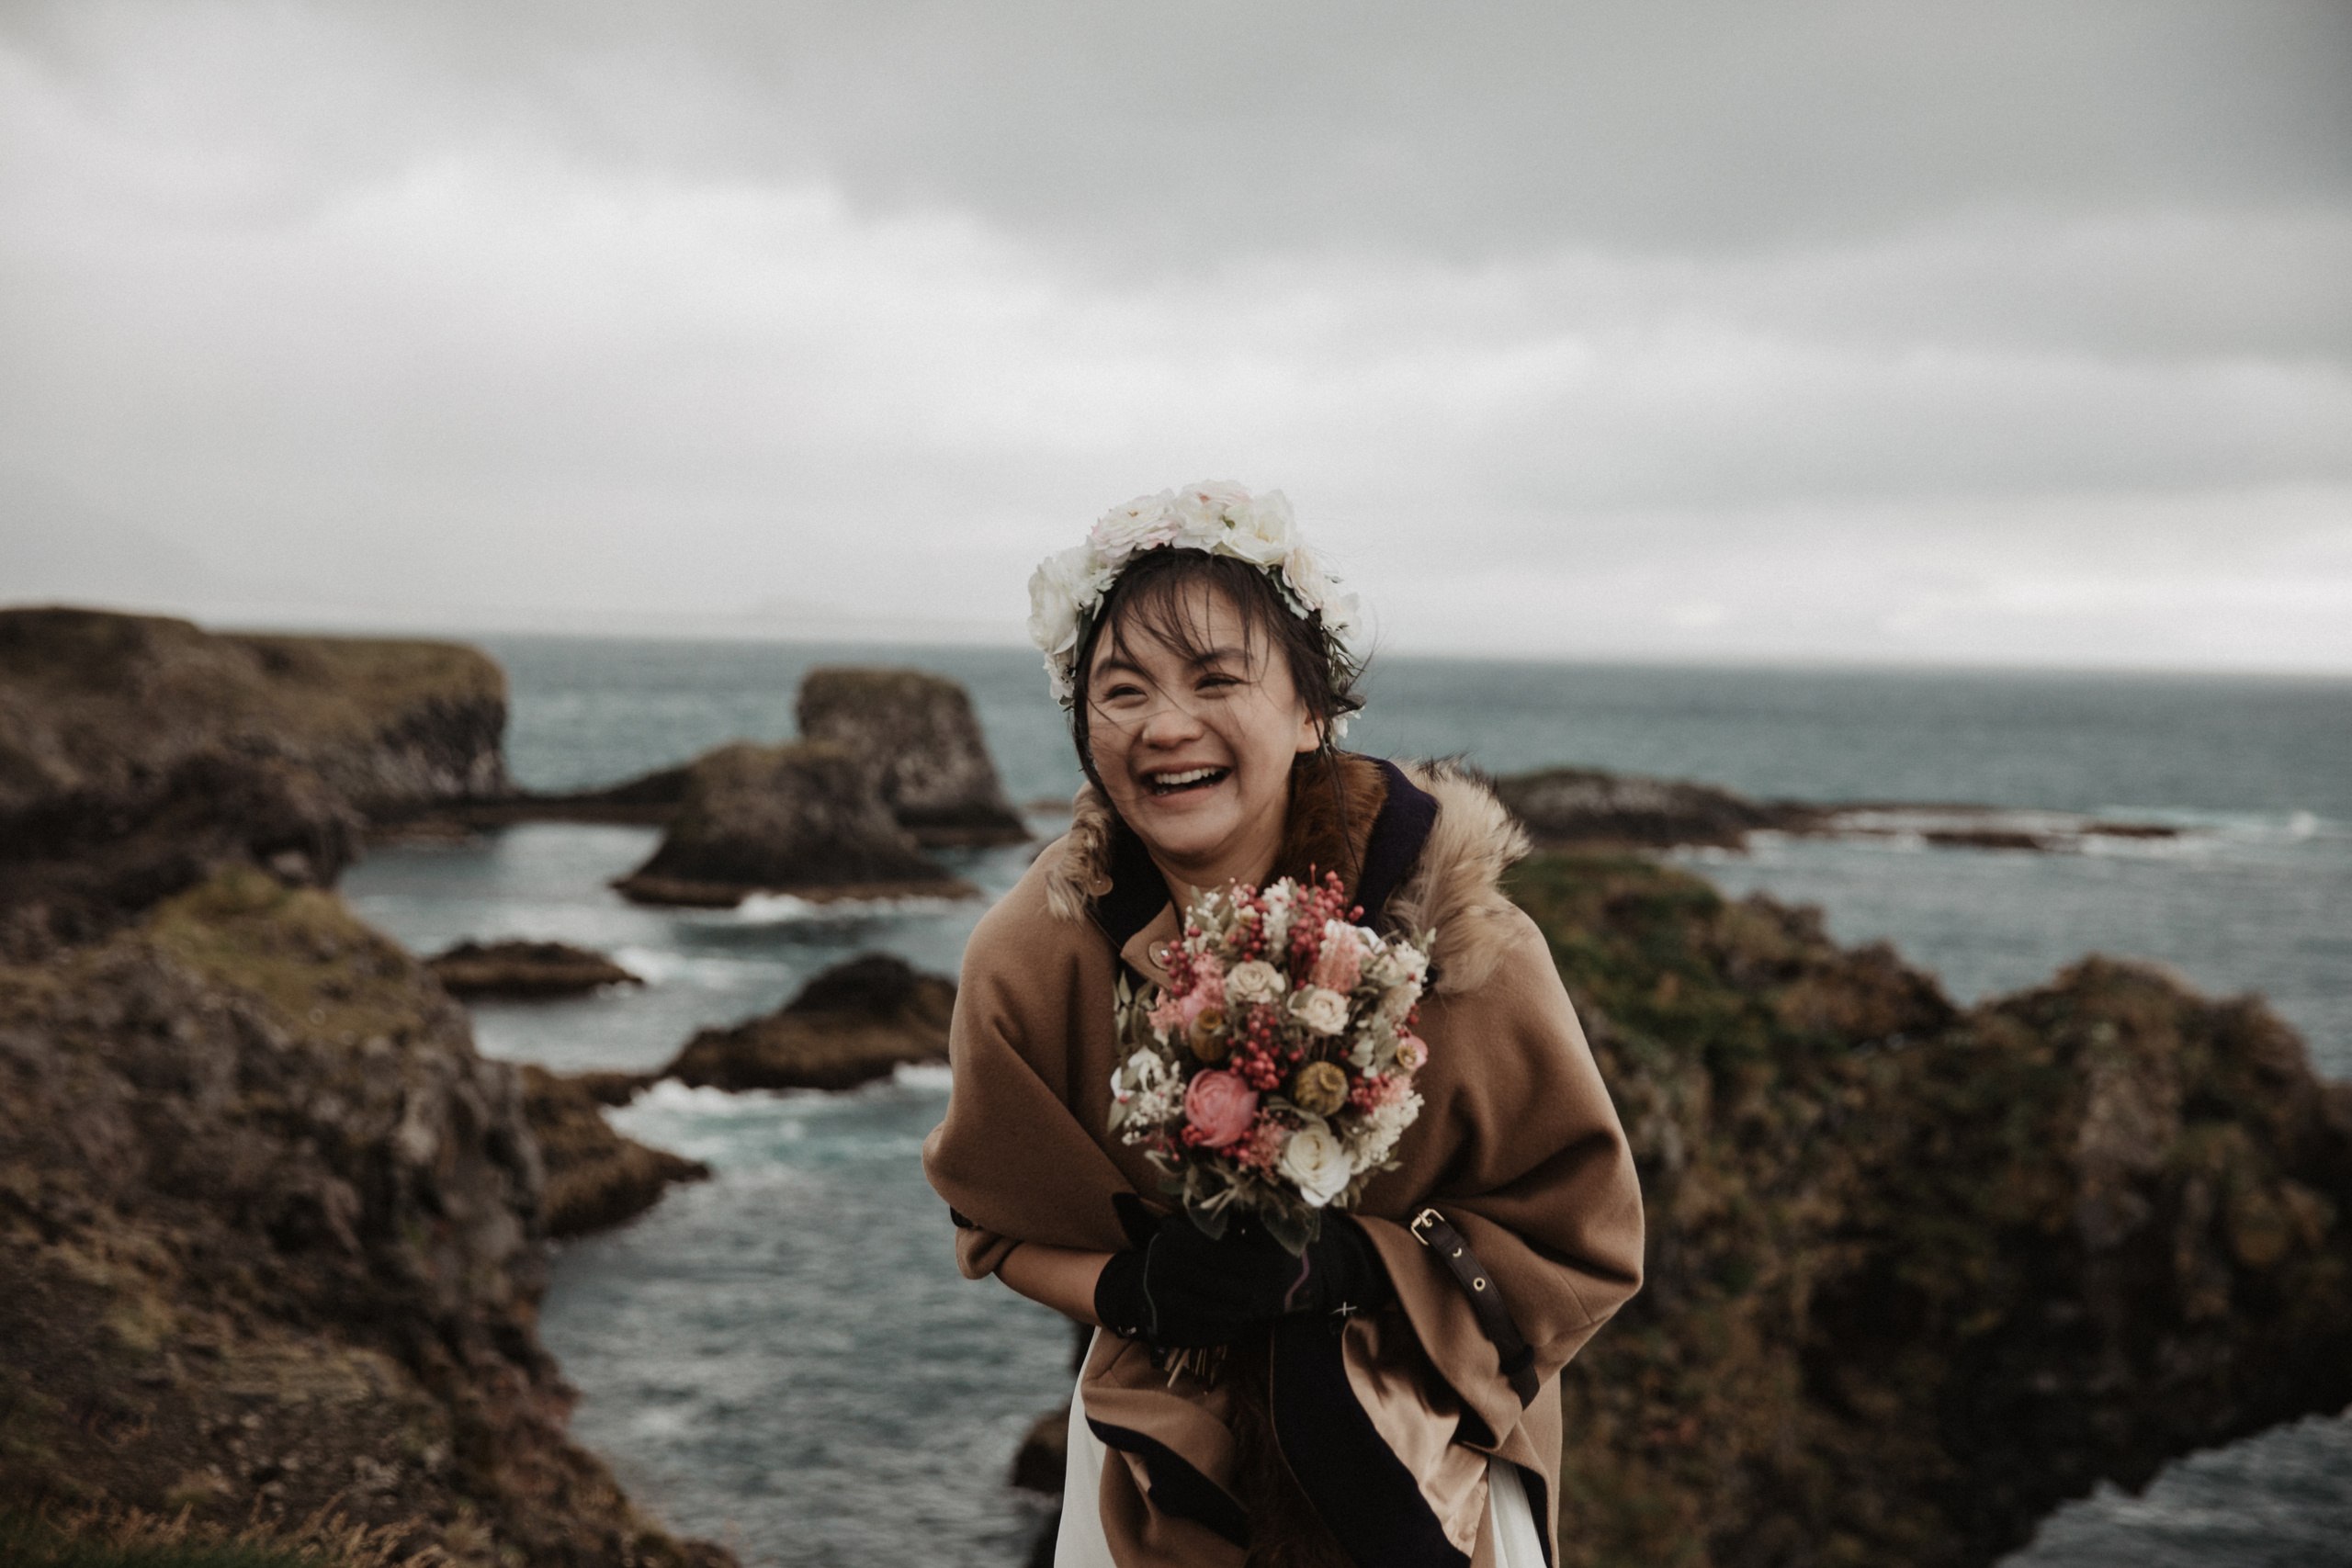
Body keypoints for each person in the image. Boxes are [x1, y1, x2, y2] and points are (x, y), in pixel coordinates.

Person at [922, 482, 1644, 1568]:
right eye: (1119, 692)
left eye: (1217, 678)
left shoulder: (1452, 930)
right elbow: (997, 1227)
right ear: (1081, 727)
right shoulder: (1032, 954)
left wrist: (1353, 1269)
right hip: (1148, 1479)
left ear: (1313, 711)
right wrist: (1135, 1288)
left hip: (1432, 1459)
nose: (1165, 727)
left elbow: (1580, 1239)